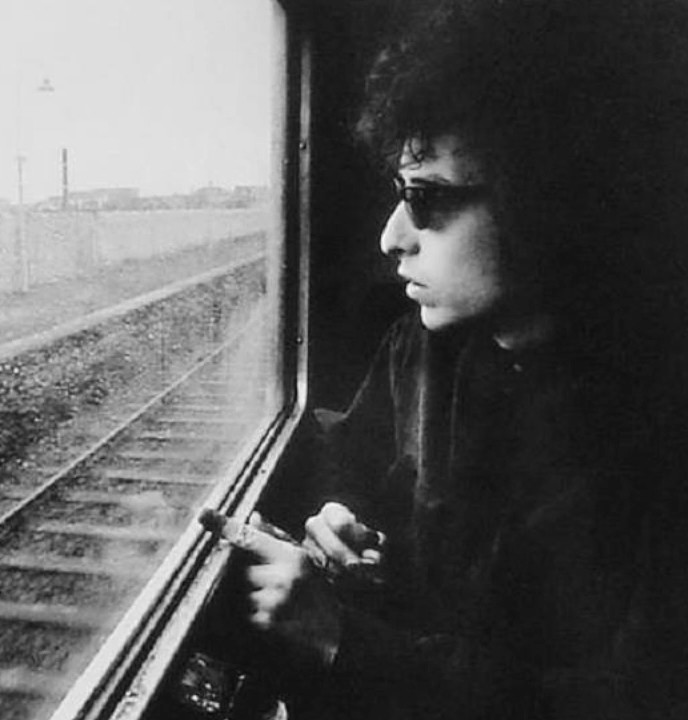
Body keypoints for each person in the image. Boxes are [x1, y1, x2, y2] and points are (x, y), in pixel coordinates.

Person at [233, 0, 688, 717]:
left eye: (427, 198)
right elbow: (350, 453)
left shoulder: (659, 425)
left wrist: (341, 642)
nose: (391, 238)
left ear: (545, 199)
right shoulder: (419, 349)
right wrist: (343, 514)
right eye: (399, 194)